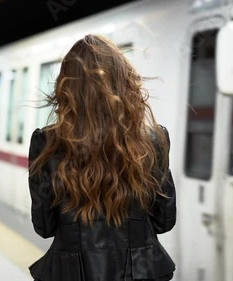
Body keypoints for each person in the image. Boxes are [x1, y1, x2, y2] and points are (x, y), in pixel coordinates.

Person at [28, 34, 176, 281]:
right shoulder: (153, 140)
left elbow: (44, 227)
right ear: (125, 82)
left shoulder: (47, 142)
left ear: (66, 87)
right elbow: (164, 222)